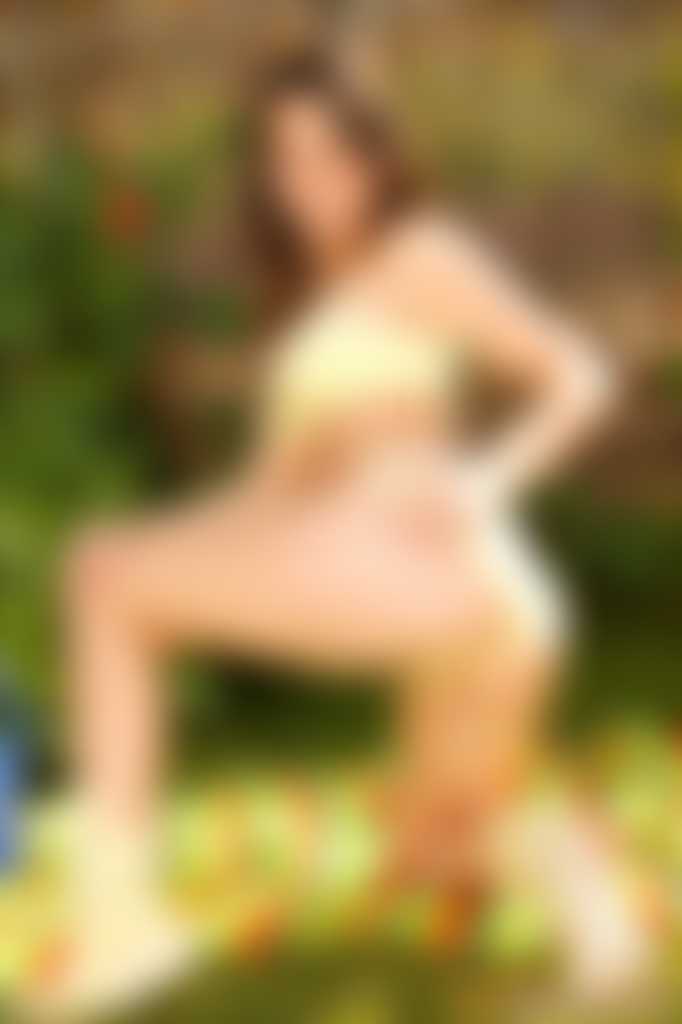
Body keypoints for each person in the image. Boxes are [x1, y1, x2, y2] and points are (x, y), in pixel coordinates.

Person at [31, 49, 649, 1016]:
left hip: (449, 571)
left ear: (377, 159)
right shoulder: (312, 306)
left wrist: (489, 482)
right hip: (425, 598)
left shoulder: (419, 256)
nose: (308, 179)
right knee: (441, 845)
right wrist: (165, 552)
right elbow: (265, 499)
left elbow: (581, 377)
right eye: (284, 158)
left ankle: (119, 931)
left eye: (331, 152)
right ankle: (606, 939)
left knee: (100, 573)